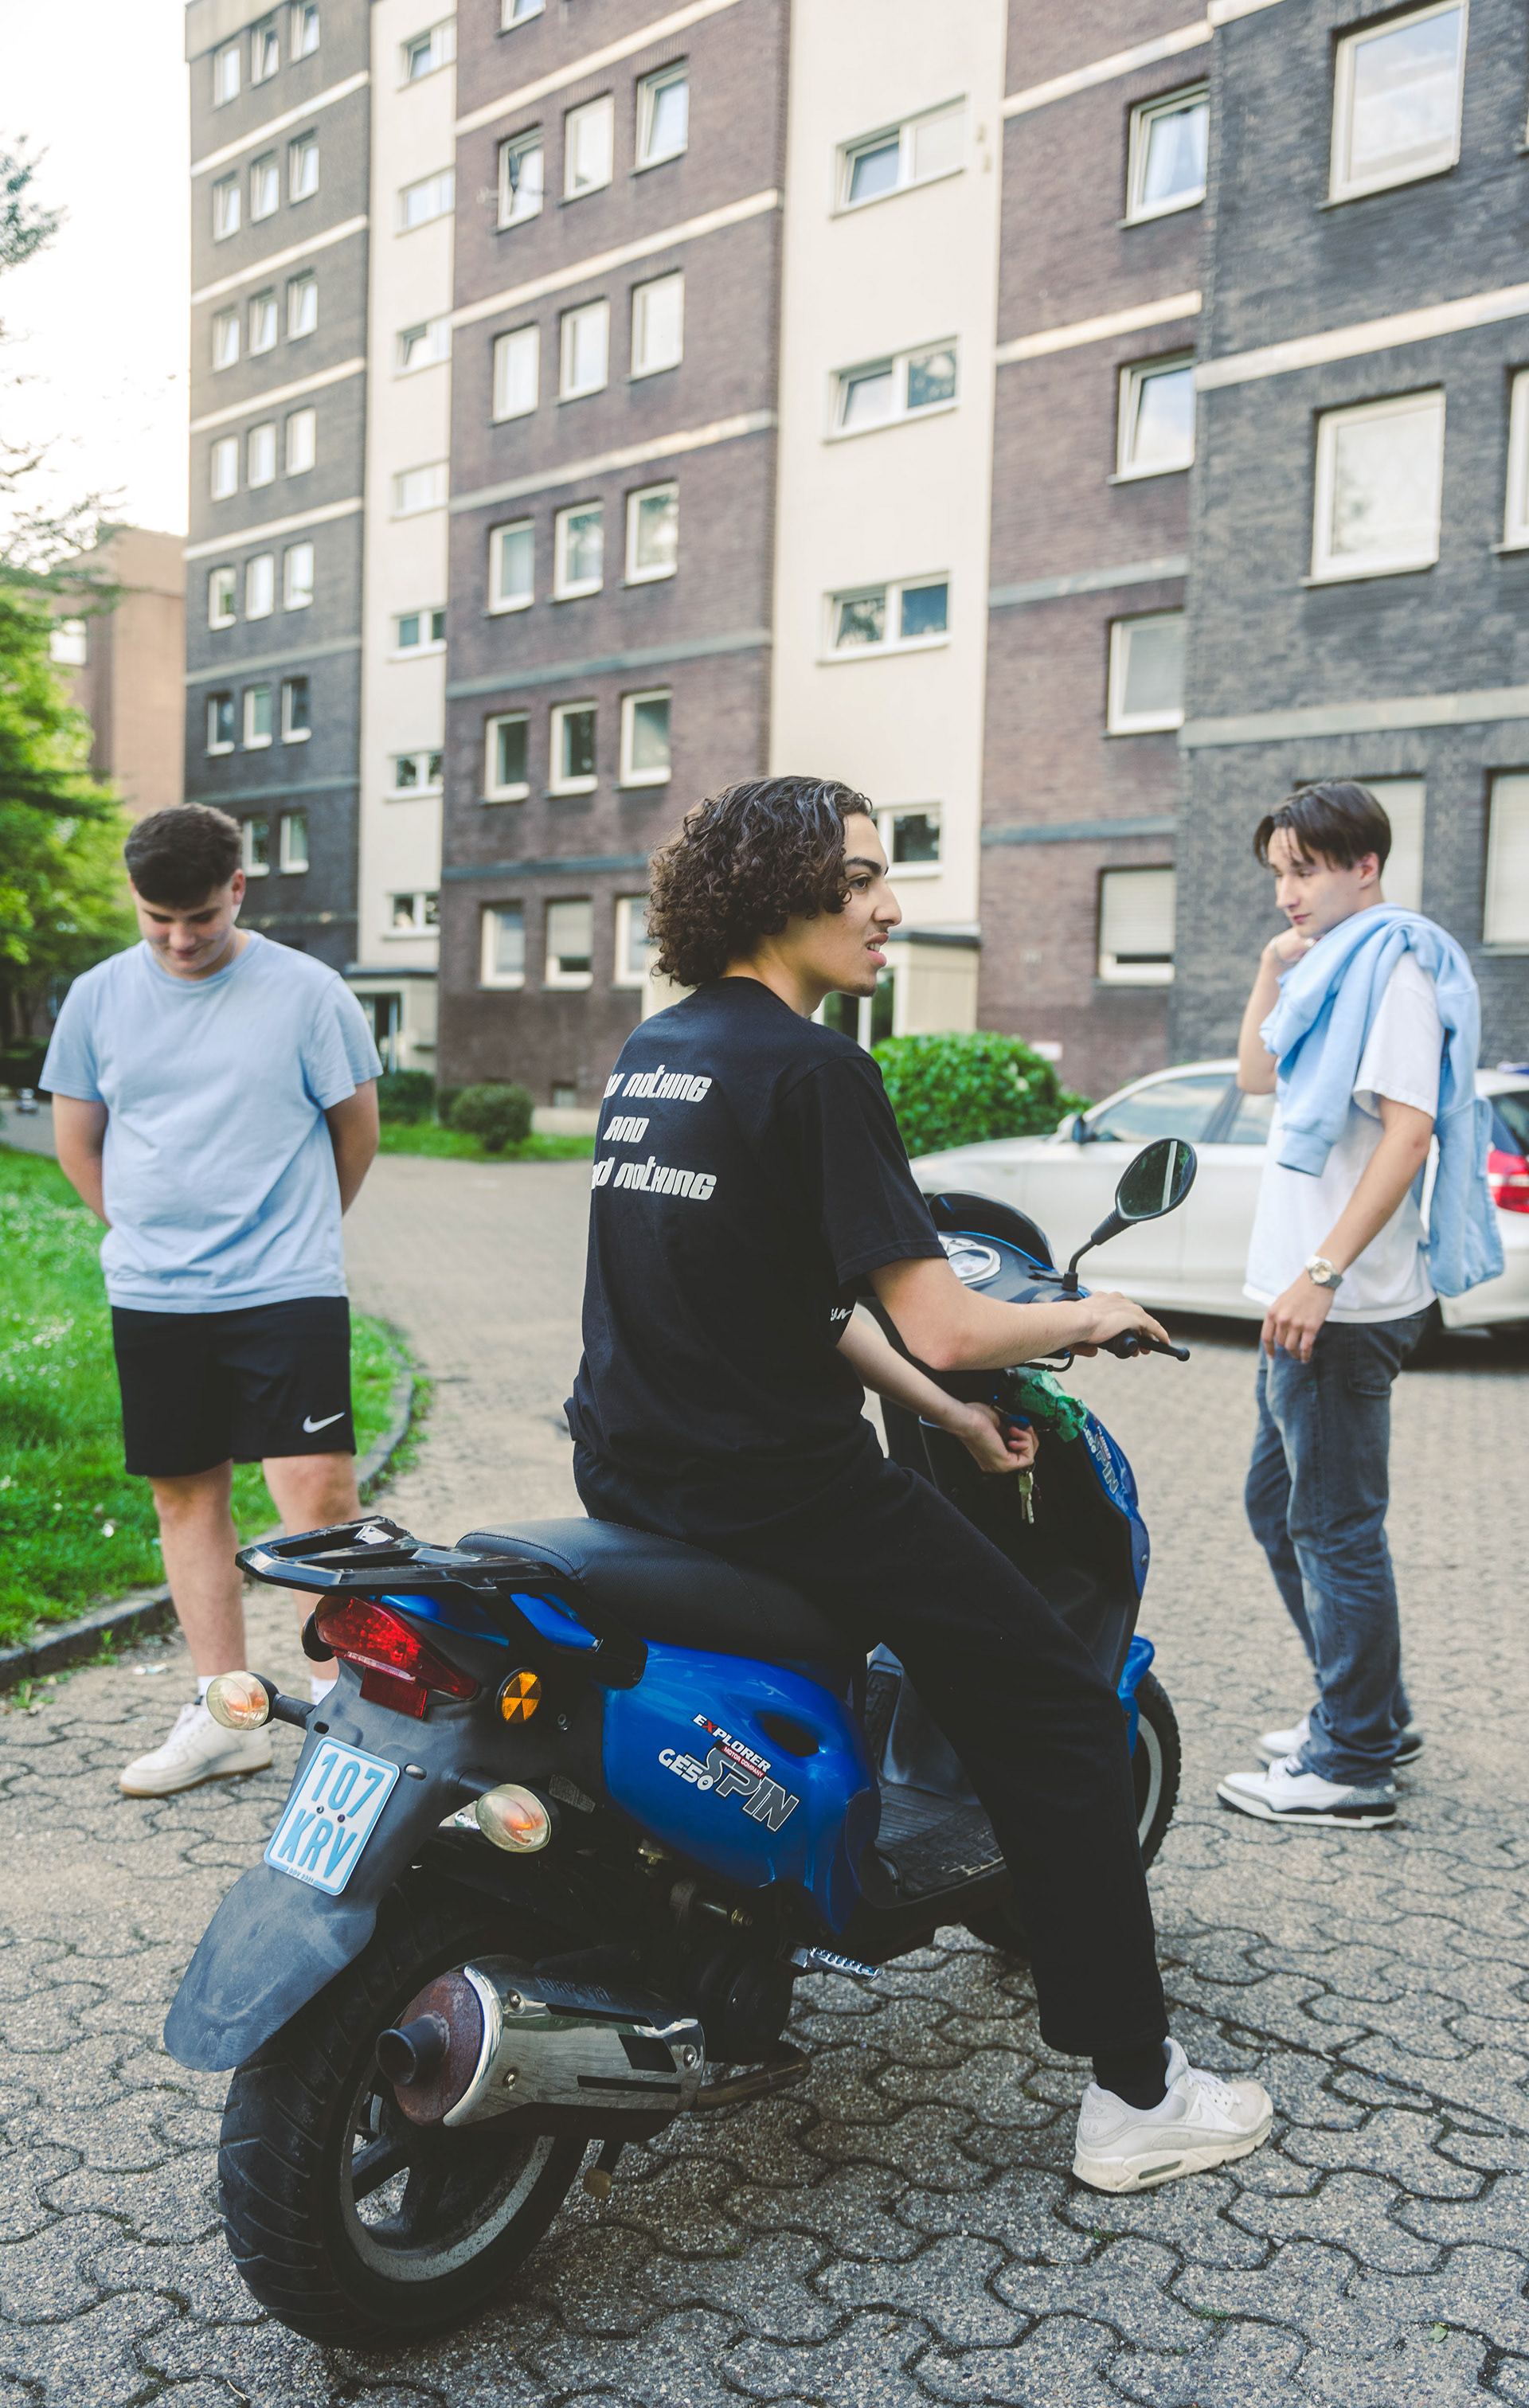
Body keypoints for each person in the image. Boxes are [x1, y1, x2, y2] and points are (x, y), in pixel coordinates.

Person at [565, 775, 1274, 2194]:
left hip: (630, 1472)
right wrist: (1085, 1314)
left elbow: (798, 1298)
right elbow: (942, 1316)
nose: (891, 907)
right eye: (862, 879)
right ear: (779, 893)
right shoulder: (816, 1070)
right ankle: (1139, 2093)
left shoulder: (661, 1049)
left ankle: (725, 1987)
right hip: (783, 1492)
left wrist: (946, 1416)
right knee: (1061, 1710)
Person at [42, 803, 383, 1796]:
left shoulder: (309, 993)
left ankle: (351, 1717)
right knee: (186, 1492)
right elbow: (77, 1143)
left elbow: (356, 1134)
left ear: (238, 888)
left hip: (285, 1282)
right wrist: (148, 1235)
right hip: (156, 1293)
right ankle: (226, 1713)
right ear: (136, 900)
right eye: (159, 920)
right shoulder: (98, 998)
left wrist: (295, 1232)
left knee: (316, 1493)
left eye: (200, 916)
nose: (181, 939)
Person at [1218, 781, 1501, 1831]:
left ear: (1365, 865)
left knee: (1335, 1530)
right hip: (1304, 1304)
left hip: (1339, 1309)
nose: (1286, 892)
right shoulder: (1325, 971)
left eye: (1305, 870)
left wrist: (1323, 1271)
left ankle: (1353, 1763)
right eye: (1277, 873)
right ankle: (1373, 1711)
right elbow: (1256, 1074)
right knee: (1277, 1510)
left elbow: (1409, 1134)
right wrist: (1269, 967)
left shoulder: (1394, 975)